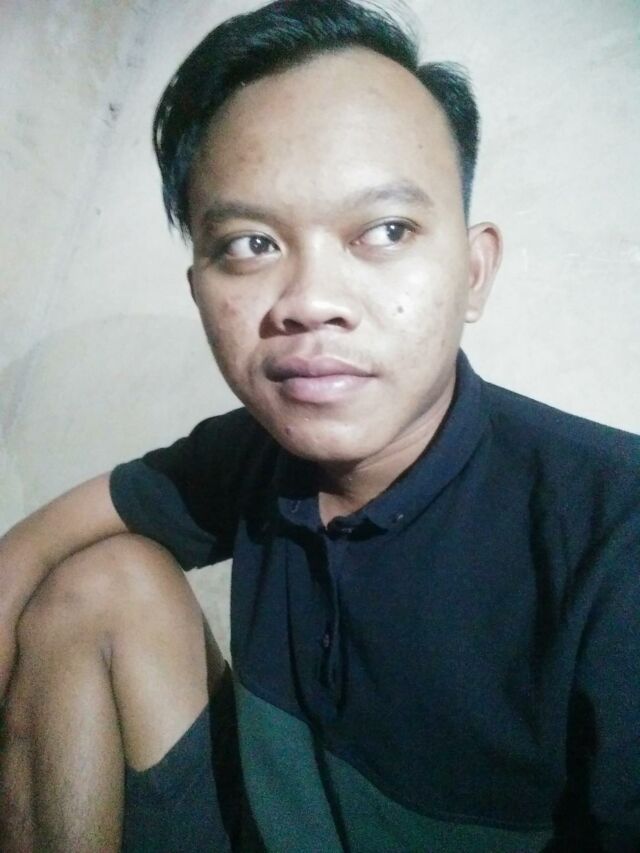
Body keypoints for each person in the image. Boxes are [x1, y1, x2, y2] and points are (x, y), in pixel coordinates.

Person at [1, 0, 639, 850]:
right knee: (101, 580)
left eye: (385, 230)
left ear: (474, 270)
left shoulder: (614, 535)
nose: (310, 301)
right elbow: (33, 546)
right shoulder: (258, 451)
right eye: (250, 244)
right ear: (199, 289)